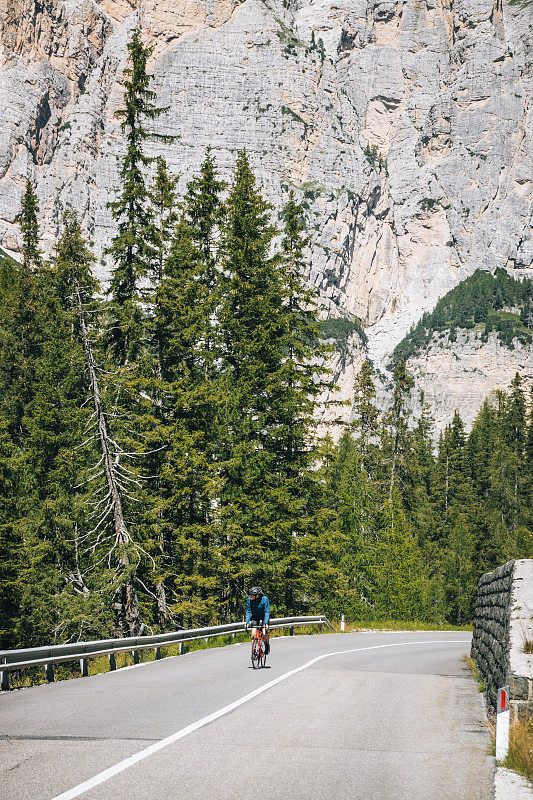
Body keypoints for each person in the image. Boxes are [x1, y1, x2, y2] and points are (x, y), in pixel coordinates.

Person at [245, 586, 270, 655]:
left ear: (257, 595)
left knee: (264, 633)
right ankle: (254, 650)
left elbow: (267, 612)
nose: (250, 596)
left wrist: (266, 623)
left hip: (264, 617)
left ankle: (267, 644)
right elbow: (248, 611)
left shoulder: (265, 599)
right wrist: (247, 622)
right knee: (253, 634)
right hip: (255, 617)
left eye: (252, 595)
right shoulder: (249, 600)